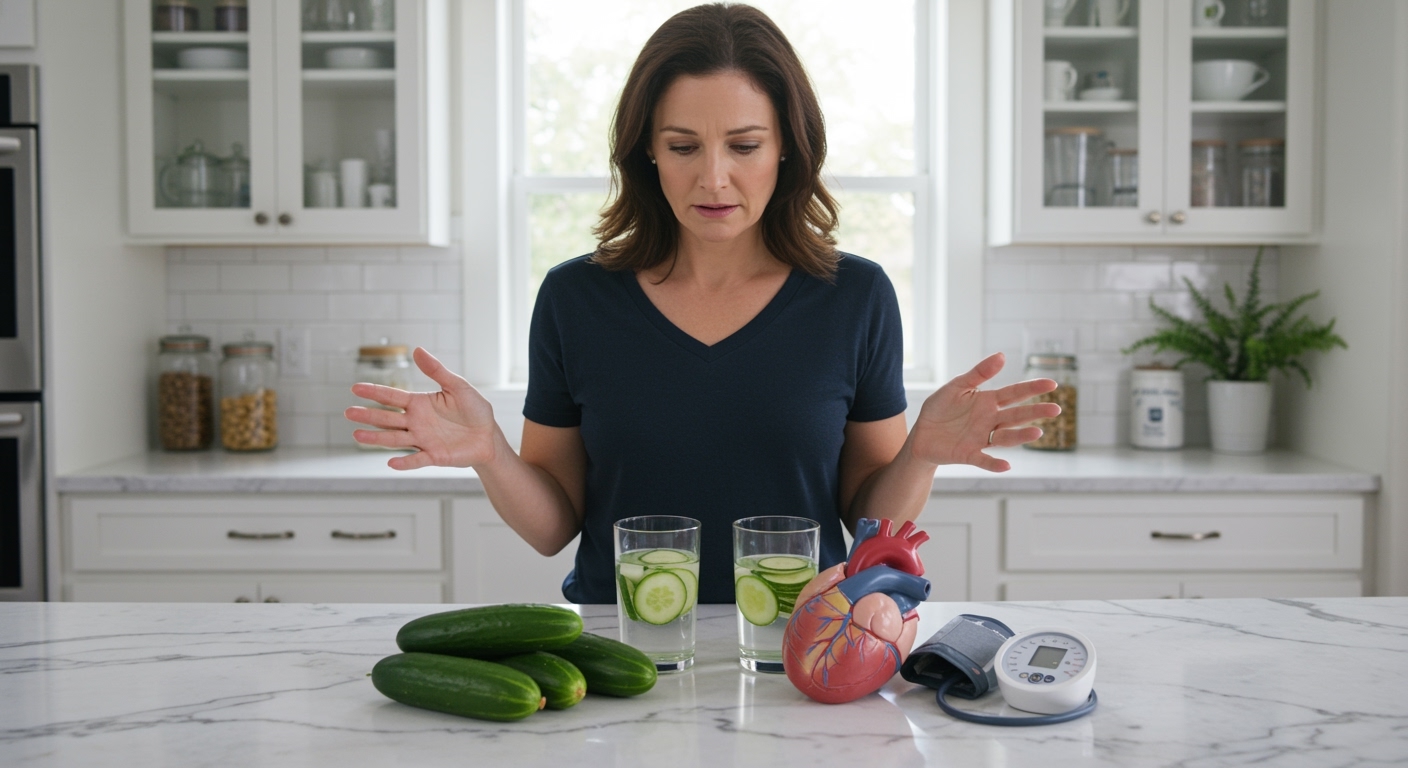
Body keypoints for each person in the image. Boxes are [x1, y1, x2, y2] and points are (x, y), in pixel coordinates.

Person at [345, 3, 1059, 605]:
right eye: (683, 146)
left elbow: (868, 519)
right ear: (647, 153)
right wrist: (490, 453)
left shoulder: (856, 296)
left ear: (787, 149)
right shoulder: (575, 298)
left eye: (744, 145)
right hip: (620, 651)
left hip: (800, 645)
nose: (713, 177)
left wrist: (922, 455)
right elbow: (551, 528)